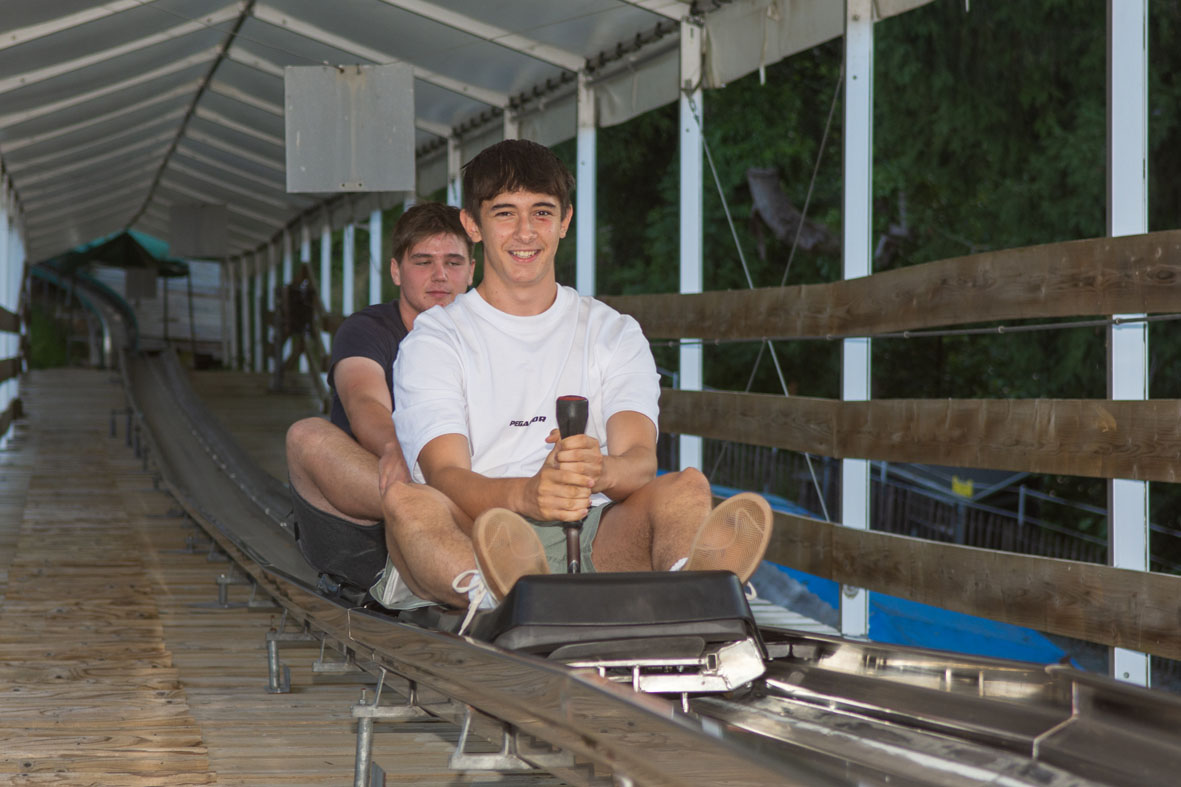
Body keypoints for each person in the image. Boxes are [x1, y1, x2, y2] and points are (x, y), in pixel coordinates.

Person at [376, 139, 772, 612]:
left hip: (590, 529)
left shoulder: (613, 331)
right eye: (505, 213)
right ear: (472, 225)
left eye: (542, 213)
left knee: (686, 487)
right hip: (477, 529)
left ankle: (696, 590)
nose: (525, 232)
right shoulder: (435, 338)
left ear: (565, 221)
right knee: (407, 502)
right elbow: (445, 474)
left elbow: (639, 460)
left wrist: (598, 470)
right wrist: (527, 495)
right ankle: (498, 599)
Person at [285, 203, 475, 596]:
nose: (440, 275)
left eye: (453, 262)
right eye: (423, 261)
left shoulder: (489, 336)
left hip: (455, 483)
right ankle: (459, 517)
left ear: (472, 271)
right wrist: (393, 447)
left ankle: (454, 524)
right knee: (306, 436)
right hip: (372, 517)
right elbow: (364, 400)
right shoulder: (366, 329)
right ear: (395, 271)